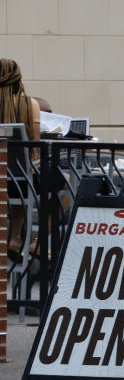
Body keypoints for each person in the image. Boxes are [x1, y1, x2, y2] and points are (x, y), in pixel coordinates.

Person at [0, 59, 41, 264]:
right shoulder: (29, 104)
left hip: (3, 181)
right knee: (65, 182)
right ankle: (36, 241)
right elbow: (35, 146)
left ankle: (14, 237)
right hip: (20, 183)